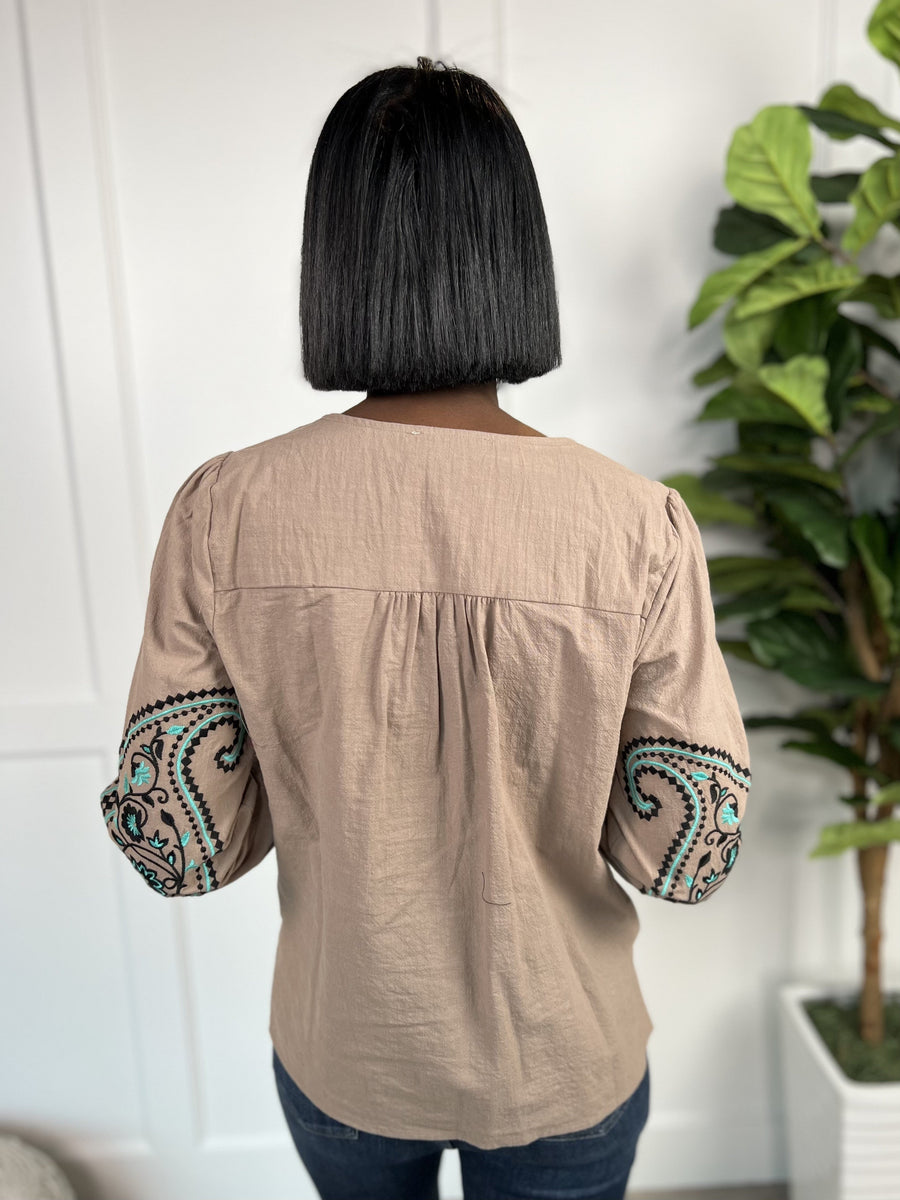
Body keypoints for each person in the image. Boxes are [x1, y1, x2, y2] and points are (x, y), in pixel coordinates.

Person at [100, 55, 751, 1200]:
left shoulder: (224, 512)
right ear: (515, 256)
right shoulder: (636, 527)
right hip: (562, 1058)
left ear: (334, 260)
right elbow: (686, 856)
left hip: (345, 1053)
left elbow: (183, 848)